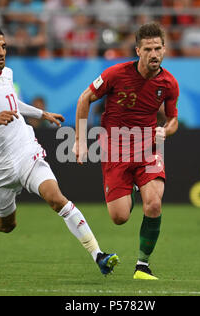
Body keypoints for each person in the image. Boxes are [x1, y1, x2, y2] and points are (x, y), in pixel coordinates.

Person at [0, 25, 119, 276]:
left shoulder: (6, 74)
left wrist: (42, 113)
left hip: (24, 149)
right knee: (6, 225)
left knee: (56, 198)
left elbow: (11, 101)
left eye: (4, 46)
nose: (1, 52)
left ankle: (99, 255)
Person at [73, 22, 180, 280]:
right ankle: (130, 187)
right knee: (119, 217)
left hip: (148, 149)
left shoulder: (169, 83)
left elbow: (174, 119)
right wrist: (79, 139)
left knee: (153, 204)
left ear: (164, 49)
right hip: (115, 150)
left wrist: (166, 131)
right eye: (148, 49)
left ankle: (142, 266)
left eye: (158, 48)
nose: (154, 54)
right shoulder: (116, 74)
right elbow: (84, 98)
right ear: (138, 51)